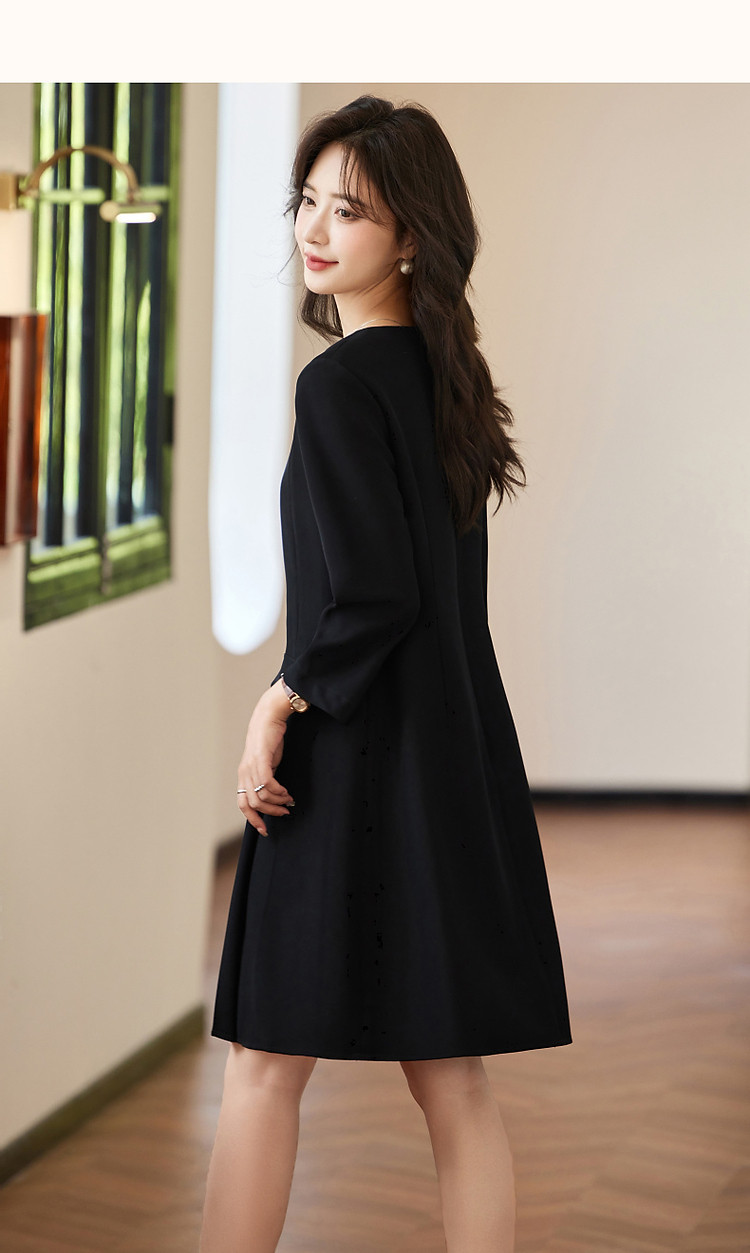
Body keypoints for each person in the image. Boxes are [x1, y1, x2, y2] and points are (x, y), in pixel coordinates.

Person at [199, 94, 572, 1253]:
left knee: (265, 1063)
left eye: (349, 210)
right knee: (453, 1079)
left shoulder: (341, 383)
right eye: (307, 200)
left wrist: (277, 700)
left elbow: (372, 597)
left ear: (411, 235)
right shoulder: (444, 377)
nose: (315, 230)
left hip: (350, 760)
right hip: (449, 757)